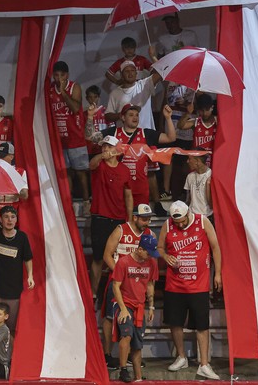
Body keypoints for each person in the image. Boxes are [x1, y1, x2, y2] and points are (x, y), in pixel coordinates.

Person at [158, 201, 222, 380]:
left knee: (202, 324)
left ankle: (204, 364)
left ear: (188, 213)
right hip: (174, 284)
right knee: (175, 322)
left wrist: (218, 274)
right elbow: (160, 247)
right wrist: (165, 256)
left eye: (182, 221)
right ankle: (181, 357)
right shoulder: (167, 225)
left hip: (198, 284)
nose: (179, 225)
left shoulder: (202, 222)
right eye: (176, 222)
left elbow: (215, 247)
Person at [101, 203, 154, 368]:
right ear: (135, 217)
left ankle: (133, 356)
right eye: (144, 219)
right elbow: (107, 255)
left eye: (149, 219)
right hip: (118, 281)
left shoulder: (149, 234)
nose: (147, 222)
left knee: (136, 319)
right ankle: (107, 355)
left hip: (137, 283)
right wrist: (120, 273)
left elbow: (151, 261)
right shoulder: (121, 230)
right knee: (110, 317)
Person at [99, 103, 176, 216]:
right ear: (123, 117)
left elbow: (171, 138)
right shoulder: (113, 133)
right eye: (131, 115)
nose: (135, 117)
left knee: (140, 223)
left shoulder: (146, 133)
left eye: (136, 115)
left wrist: (168, 118)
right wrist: (90, 117)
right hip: (119, 189)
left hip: (140, 190)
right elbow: (90, 137)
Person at [87, 134, 133, 301]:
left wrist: (129, 220)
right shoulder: (99, 165)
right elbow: (91, 164)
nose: (105, 149)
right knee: (98, 257)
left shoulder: (124, 170)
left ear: (117, 150)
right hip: (100, 218)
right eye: (104, 146)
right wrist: (101, 156)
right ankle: (93, 293)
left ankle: (120, 292)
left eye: (109, 146)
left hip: (119, 219)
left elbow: (128, 196)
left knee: (118, 259)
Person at [111, 234, 160, 383]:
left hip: (140, 306)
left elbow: (151, 284)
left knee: (138, 343)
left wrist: (151, 306)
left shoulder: (151, 263)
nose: (149, 257)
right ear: (139, 249)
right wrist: (123, 308)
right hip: (124, 304)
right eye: (148, 253)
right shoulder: (123, 262)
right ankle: (123, 370)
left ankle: (138, 377)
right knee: (127, 335)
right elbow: (115, 286)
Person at [0, 205, 34, 333]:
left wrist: (30, 275)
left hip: (13, 291)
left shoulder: (22, 237)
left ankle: (9, 353)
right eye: (6, 217)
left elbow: (28, 258)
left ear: (16, 220)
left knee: (11, 328)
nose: (9, 220)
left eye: (12, 217)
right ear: (0, 220)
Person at [49, 61, 90, 210]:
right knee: (65, 172)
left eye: (61, 75)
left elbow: (75, 108)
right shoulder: (49, 89)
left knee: (80, 172)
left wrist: (63, 92)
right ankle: (69, 201)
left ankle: (86, 201)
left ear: (67, 75)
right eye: (56, 75)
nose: (58, 78)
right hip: (59, 139)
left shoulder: (74, 87)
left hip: (75, 137)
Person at [105, 60, 163, 130]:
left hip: (145, 134)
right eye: (127, 71)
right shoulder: (115, 93)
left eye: (132, 70)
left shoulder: (144, 85)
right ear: (121, 75)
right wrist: (121, 115)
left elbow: (161, 72)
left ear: (136, 73)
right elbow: (108, 116)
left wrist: (153, 57)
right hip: (124, 136)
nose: (130, 73)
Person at [0, 142, 28, 230]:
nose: (0, 159)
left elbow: (25, 195)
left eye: (3, 156)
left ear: (11, 157)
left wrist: (11, 184)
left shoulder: (20, 172)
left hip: (11, 215)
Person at [177, 94, 217, 168]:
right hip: (197, 163)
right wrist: (188, 113)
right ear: (198, 110)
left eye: (207, 110)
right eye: (202, 111)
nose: (204, 113)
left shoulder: (218, 122)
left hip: (213, 162)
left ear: (212, 107)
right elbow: (180, 126)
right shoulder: (196, 121)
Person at [84, 86, 115, 157]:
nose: (93, 100)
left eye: (95, 97)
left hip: (104, 149)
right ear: (86, 98)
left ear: (99, 97)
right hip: (90, 150)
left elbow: (111, 131)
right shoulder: (84, 114)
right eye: (90, 97)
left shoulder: (106, 112)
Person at [184, 153, 213, 220]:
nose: (187, 161)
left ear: (198, 161)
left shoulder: (211, 175)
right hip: (192, 216)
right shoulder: (190, 176)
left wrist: (208, 186)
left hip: (208, 216)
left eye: (190, 159)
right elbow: (188, 199)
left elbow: (212, 203)